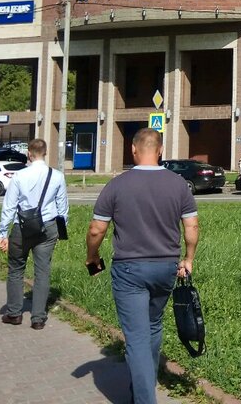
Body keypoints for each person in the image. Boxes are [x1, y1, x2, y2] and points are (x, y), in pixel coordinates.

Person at [86, 128, 199, 404]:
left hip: (129, 271)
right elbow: (192, 226)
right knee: (153, 325)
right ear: (160, 151)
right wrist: (189, 259)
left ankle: (145, 398)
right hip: (166, 268)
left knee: (136, 337)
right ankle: (142, 387)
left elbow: (96, 230)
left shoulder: (117, 185)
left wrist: (92, 257)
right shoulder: (178, 184)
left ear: (133, 150)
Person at [0, 138, 68, 329]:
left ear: (29, 153)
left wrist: (3, 233)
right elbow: (63, 209)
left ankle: (14, 313)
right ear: (45, 153)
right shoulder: (57, 176)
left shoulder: (19, 176)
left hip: (22, 228)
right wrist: (61, 231)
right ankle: (38, 318)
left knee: (16, 269)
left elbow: (9, 206)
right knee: (42, 271)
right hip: (48, 228)